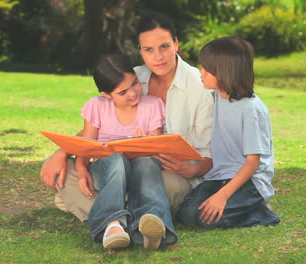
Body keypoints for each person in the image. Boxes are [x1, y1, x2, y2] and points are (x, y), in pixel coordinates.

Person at [40, 11, 213, 231]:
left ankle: (102, 212)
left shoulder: (199, 87)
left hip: (167, 175)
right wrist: (62, 152)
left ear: (176, 44)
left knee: (168, 187)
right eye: (149, 50)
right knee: (55, 166)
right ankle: (135, 218)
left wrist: (193, 170)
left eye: (164, 47)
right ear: (140, 51)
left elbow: (213, 153)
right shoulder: (134, 78)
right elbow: (98, 128)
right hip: (116, 169)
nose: (158, 57)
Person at [176, 36, 281, 228]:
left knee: (204, 219)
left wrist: (222, 196)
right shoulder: (218, 96)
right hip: (220, 175)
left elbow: (252, 162)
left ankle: (261, 213)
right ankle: (244, 207)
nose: (201, 72)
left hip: (251, 182)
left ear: (224, 74)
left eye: (207, 69)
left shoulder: (250, 109)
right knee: (186, 214)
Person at [75, 54, 171, 249]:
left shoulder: (152, 105)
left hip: (140, 167)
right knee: (117, 159)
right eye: (122, 92)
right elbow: (86, 145)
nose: (132, 94)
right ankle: (111, 225)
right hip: (107, 168)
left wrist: (144, 143)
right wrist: (81, 169)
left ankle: (151, 225)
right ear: (106, 94)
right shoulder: (97, 106)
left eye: (135, 83)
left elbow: (155, 149)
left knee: (147, 162)